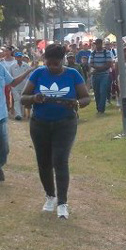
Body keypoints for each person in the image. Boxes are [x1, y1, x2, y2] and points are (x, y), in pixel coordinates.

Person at [20, 44, 91, 218]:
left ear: (63, 61)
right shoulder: (38, 73)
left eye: (56, 64)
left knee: (60, 161)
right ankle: (50, 196)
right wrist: (34, 98)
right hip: (40, 124)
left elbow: (86, 97)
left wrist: (75, 103)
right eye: (48, 63)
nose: (52, 67)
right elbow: (23, 98)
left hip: (65, 124)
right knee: (44, 162)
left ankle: (62, 203)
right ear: (44, 61)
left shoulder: (73, 74)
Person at [0, 54, 35, 181]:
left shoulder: (1, 68)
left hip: (1, 115)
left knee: (4, 147)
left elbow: (13, 82)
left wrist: (28, 71)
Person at [88, 38, 114, 114]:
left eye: (98, 44)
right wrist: (97, 68)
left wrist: (99, 68)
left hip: (104, 75)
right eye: (96, 44)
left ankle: (101, 109)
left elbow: (109, 64)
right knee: (96, 92)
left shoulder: (107, 53)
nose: (97, 45)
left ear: (101, 44)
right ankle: (98, 108)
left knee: (103, 91)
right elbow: (91, 63)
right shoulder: (93, 53)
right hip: (95, 75)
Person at [9, 52, 31, 120]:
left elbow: (29, 75)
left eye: (20, 57)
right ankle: (18, 115)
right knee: (16, 99)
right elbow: (10, 76)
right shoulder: (12, 66)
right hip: (15, 86)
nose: (19, 58)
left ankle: (21, 113)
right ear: (15, 58)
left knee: (21, 99)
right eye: (18, 57)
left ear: (22, 57)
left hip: (24, 85)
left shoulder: (26, 65)